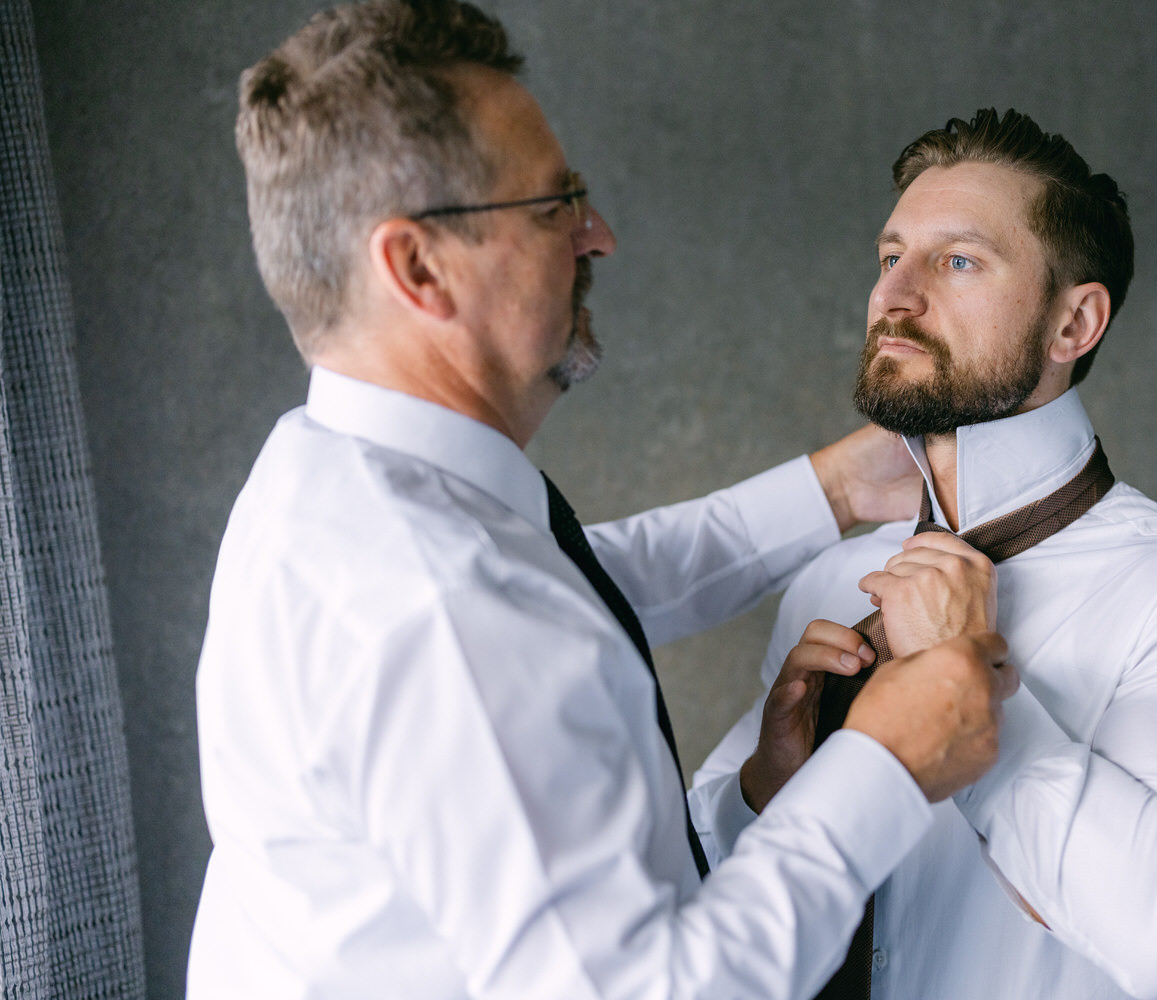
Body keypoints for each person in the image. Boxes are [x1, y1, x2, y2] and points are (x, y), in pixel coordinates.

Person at [186, 3, 1018, 998]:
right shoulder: (444, 612)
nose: (600, 235)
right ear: (418, 267)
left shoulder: (332, 476)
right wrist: (886, 764)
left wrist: (835, 490)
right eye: (554, 205)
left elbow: (576, 579)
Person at [692, 108, 1157, 1000]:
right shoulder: (831, 581)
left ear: (1073, 324)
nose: (896, 294)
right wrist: (765, 789)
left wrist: (953, 672)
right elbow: (703, 891)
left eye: (958, 260)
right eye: (891, 257)